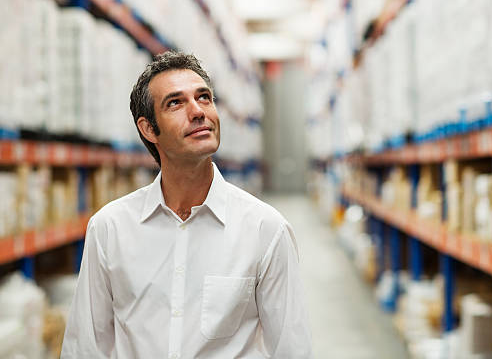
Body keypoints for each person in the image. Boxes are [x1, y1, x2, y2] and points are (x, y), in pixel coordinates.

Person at [61, 51, 312, 358]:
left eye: (204, 97)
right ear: (148, 129)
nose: (198, 111)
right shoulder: (110, 228)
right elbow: (85, 347)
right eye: (175, 103)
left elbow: (292, 349)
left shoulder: (265, 229)